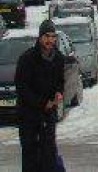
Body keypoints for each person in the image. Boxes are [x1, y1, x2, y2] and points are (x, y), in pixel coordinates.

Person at [15, 19, 65, 172]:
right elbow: (22, 87)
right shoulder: (27, 59)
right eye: (47, 36)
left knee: (49, 155)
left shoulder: (58, 58)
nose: (50, 40)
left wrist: (59, 93)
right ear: (40, 37)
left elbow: (60, 82)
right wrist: (42, 103)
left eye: (53, 36)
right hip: (29, 116)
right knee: (31, 157)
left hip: (48, 117)